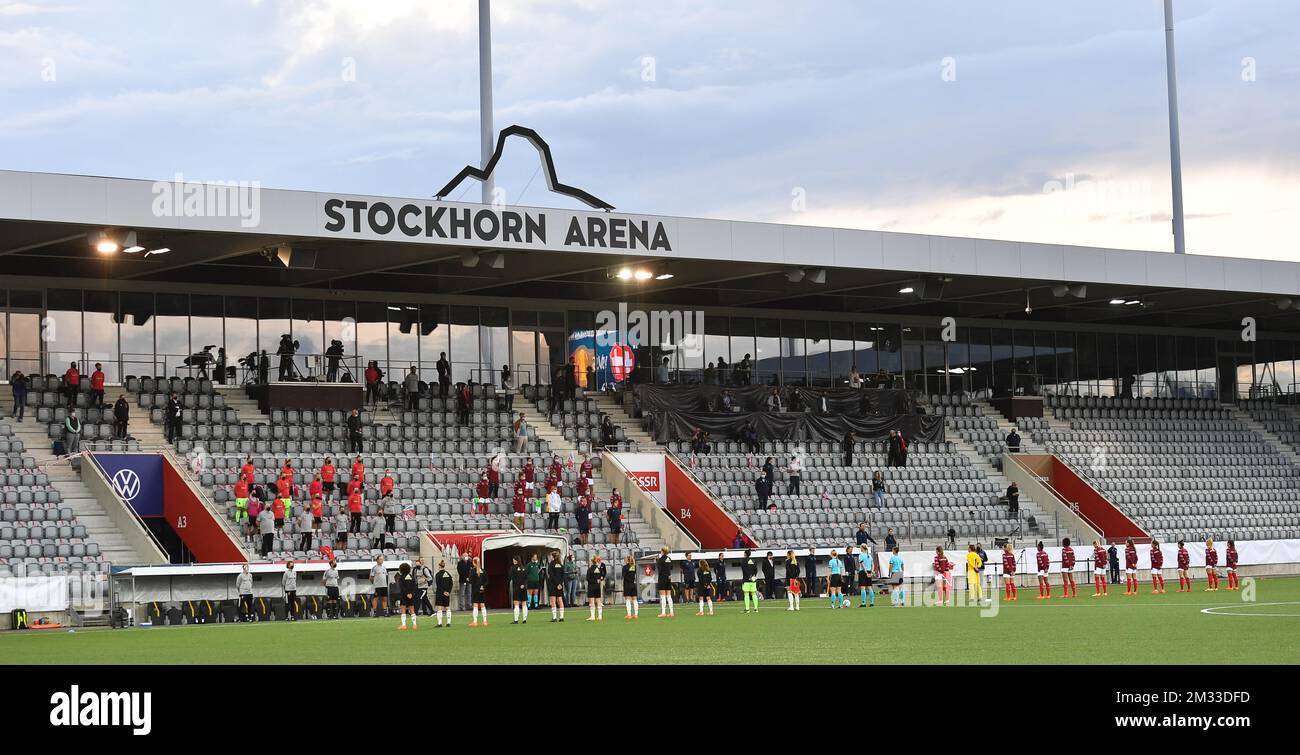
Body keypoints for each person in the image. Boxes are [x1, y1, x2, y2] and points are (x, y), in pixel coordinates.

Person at [394, 563, 418, 630]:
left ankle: (404, 625)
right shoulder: (412, 577)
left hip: (404, 596)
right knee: (412, 610)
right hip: (411, 596)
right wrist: (411, 594)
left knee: (403, 611)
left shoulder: (401, 577)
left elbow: (402, 587)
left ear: (401, 569)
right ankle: (414, 625)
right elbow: (415, 586)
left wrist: (407, 594)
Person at [468, 556, 489, 627]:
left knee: (475, 605)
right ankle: (485, 621)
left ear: (474, 563)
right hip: (482, 590)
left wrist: (469, 580)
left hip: (475, 590)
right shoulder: (483, 570)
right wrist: (483, 586)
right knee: (483, 605)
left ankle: (475, 622)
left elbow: (471, 581)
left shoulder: (472, 571)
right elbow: (486, 580)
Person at [654, 546, 675, 617]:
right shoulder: (669, 559)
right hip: (668, 578)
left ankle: (663, 613)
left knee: (663, 596)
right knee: (669, 596)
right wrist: (668, 575)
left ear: (662, 551)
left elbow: (660, 570)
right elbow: (671, 567)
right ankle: (671, 612)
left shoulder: (660, 560)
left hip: (662, 578)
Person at [585, 554, 606, 621]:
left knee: (592, 602)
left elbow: (588, 578)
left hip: (591, 586)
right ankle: (600, 616)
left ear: (591, 561)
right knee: (598, 601)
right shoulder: (599, 569)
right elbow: (601, 577)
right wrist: (598, 580)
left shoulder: (590, 569)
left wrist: (594, 580)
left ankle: (592, 616)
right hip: (597, 586)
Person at [434, 559, 454, 627]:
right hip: (447, 594)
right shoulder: (448, 574)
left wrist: (443, 591)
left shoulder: (437, 574)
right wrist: (448, 591)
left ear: (439, 566)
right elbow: (451, 584)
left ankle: (440, 623)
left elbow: (438, 585)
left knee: (439, 608)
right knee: (447, 607)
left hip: (440, 593)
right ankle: (448, 623)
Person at [547, 552, 566, 622]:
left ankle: (554, 617)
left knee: (553, 601)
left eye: (551, 556)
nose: (550, 557)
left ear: (553, 556)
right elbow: (563, 575)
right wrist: (560, 584)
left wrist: (557, 584)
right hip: (560, 585)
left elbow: (551, 575)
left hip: (553, 584)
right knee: (560, 600)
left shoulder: (551, 564)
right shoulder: (561, 564)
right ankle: (561, 617)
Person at [739, 549, 760, 614]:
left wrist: (749, 576)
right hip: (753, 580)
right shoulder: (753, 561)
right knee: (754, 594)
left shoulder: (743, 561)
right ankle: (756, 609)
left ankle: (747, 609)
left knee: (746, 594)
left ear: (745, 554)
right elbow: (756, 570)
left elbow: (744, 570)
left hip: (746, 580)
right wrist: (753, 577)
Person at [509, 556, 529, 625]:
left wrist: (519, 584)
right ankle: (524, 620)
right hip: (524, 588)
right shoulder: (524, 567)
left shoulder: (512, 568)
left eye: (513, 560)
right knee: (524, 603)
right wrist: (523, 584)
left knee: (516, 604)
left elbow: (512, 577)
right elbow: (526, 578)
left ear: (515, 560)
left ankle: (516, 620)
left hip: (516, 587)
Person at [622, 554, 640, 620]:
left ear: (627, 560)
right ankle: (636, 614)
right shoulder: (634, 567)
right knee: (635, 600)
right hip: (633, 584)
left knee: (628, 600)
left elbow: (624, 576)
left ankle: (629, 615)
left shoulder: (625, 567)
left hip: (627, 585)